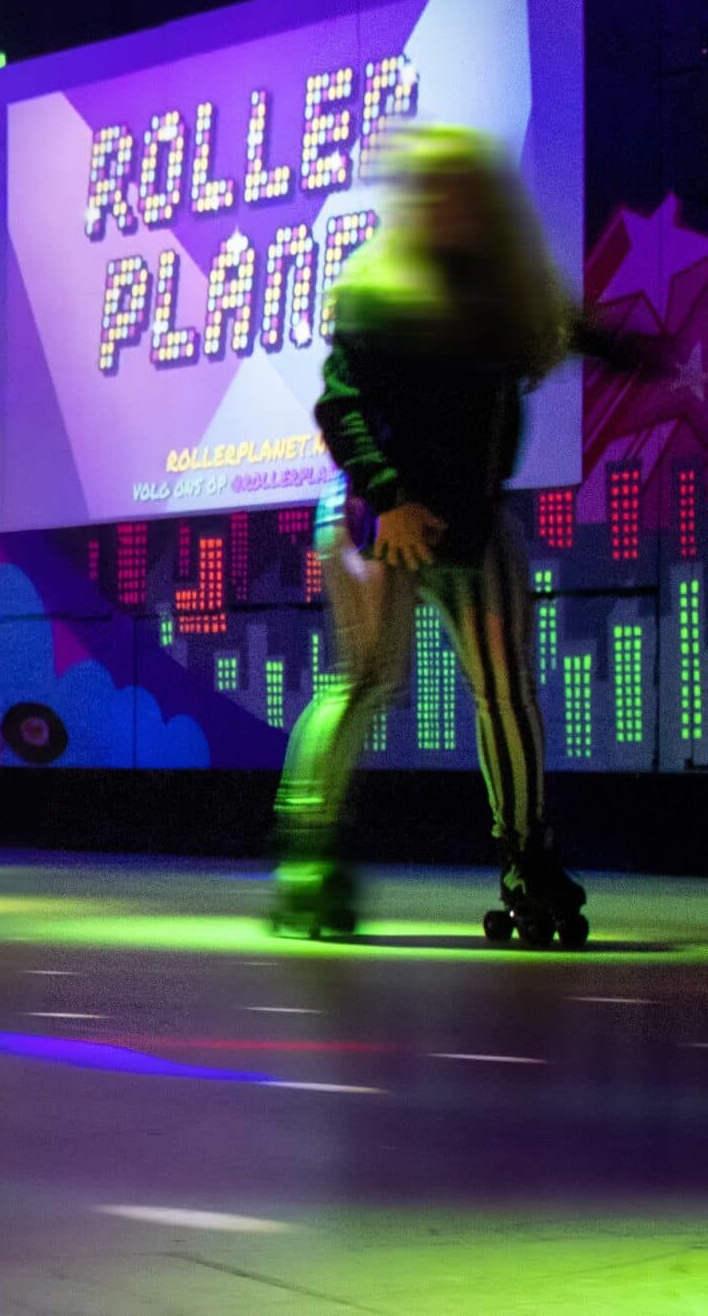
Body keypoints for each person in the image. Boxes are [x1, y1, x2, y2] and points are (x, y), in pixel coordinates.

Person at [274, 126, 658, 945]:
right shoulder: (380, 290)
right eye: (433, 195)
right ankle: (310, 852)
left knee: (506, 689)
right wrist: (391, 501)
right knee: (367, 680)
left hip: (469, 519)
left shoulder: (507, 293)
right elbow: (339, 407)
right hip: (371, 514)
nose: (447, 209)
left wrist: (655, 359)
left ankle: (527, 853)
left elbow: (582, 334)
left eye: (461, 195)